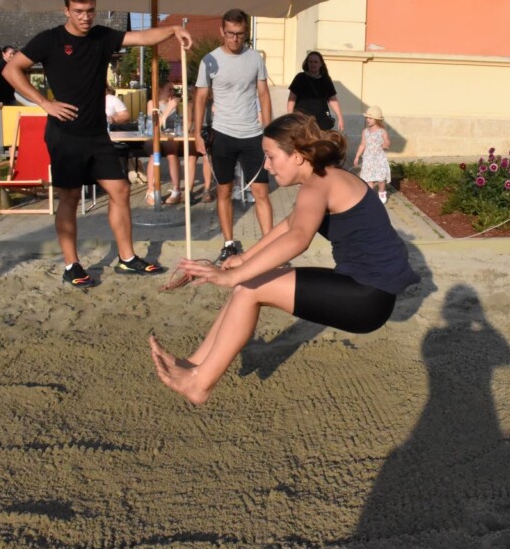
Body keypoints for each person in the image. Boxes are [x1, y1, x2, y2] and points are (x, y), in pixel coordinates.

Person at [149, 113, 420, 405]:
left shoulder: (320, 183)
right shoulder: (324, 178)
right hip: (365, 290)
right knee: (247, 284)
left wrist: (233, 276)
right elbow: (289, 225)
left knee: (249, 287)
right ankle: (194, 365)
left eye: (270, 156)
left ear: (298, 155)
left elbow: (298, 238)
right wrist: (245, 259)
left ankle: (200, 384)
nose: (266, 165)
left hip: (368, 298)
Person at [3, 0, 193, 288]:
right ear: (66, 10)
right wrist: (45, 103)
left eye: (90, 10)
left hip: (97, 134)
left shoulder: (102, 36)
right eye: (79, 11)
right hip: (64, 134)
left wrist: (173, 29)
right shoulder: (50, 39)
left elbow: (142, 37)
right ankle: (71, 265)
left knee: (120, 190)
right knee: (69, 197)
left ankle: (126, 258)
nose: (85, 17)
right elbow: (11, 70)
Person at [193, 8, 274, 263]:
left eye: (239, 34)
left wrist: (269, 132)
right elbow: (201, 97)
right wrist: (197, 133)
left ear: (246, 32)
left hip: (252, 135)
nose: (235, 38)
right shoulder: (209, 60)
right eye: (230, 33)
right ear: (222, 31)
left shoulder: (255, 59)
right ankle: (229, 243)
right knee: (224, 191)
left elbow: (264, 95)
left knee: (261, 192)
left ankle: (270, 244)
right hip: (223, 134)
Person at [143, 80, 195, 205]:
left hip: (171, 136)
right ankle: (150, 190)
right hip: (155, 135)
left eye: (173, 90)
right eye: (169, 89)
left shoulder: (174, 103)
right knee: (154, 152)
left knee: (172, 152)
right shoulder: (152, 103)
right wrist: (169, 108)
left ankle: (176, 190)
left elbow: (178, 124)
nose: (172, 92)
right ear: (160, 90)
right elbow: (156, 125)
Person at [286, 50, 344, 132]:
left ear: (321, 64)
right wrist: (290, 117)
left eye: (315, 62)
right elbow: (292, 99)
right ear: (307, 63)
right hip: (303, 120)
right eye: (310, 62)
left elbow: (333, 99)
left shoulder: (326, 79)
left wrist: (340, 118)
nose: (313, 64)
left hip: (321, 121)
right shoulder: (300, 78)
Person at [353, 105, 391, 203]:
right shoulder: (365, 131)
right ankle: (372, 195)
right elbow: (362, 144)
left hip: (379, 158)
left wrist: (385, 145)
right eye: (367, 118)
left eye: (370, 118)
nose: (367, 120)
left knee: (381, 177)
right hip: (368, 158)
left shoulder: (382, 131)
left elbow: (387, 142)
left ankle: (381, 192)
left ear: (377, 119)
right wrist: (357, 156)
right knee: (368, 178)